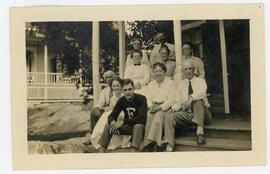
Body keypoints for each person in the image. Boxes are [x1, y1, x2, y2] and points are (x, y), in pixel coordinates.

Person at [164, 60, 209, 152]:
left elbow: (202, 92)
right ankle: (169, 144)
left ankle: (200, 133)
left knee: (198, 101)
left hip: (202, 114)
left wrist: (191, 98)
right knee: (169, 116)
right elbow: (178, 101)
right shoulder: (181, 84)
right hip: (187, 113)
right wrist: (174, 108)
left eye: (190, 69)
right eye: (186, 69)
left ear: (194, 70)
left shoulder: (201, 81)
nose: (188, 71)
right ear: (183, 72)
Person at [98, 79, 148, 153]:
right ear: (122, 90)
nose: (128, 92)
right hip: (127, 127)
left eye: (130, 89)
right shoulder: (122, 100)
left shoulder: (141, 99)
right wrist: (112, 122)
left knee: (138, 126)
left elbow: (141, 118)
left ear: (134, 88)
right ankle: (101, 151)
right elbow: (112, 115)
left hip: (140, 128)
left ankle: (134, 151)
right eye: (125, 90)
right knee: (108, 126)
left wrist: (123, 122)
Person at [90, 77, 131, 149]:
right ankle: (101, 138)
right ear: (112, 87)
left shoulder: (125, 95)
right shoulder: (113, 97)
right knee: (106, 115)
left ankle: (108, 140)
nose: (116, 88)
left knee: (107, 115)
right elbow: (113, 109)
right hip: (115, 114)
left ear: (121, 86)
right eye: (114, 86)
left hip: (125, 114)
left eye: (117, 85)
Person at [143, 63, 176, 151]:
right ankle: (148, 142)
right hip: (153, 106)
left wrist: (160, 107)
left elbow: (171, 100)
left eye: (160, 71)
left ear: (164, 72)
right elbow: (147, 98)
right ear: (153, 73)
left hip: (165, 107)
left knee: (159, 116)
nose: (158, 73)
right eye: (156, 71)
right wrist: (150, 106)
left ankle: (153, 143)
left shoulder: (171, 83)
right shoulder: (151, 84)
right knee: (149, 116)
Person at [83, 70, 115, 146]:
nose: (109, 79)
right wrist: (98, 108)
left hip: (115, 110)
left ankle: (99, 138)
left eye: (110, 77)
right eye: (106, 77)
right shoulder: (105, 91)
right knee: (94, 112)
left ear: (114, 77)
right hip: (106, 109)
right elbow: (100, 103)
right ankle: (92, 136)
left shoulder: (118, 88)